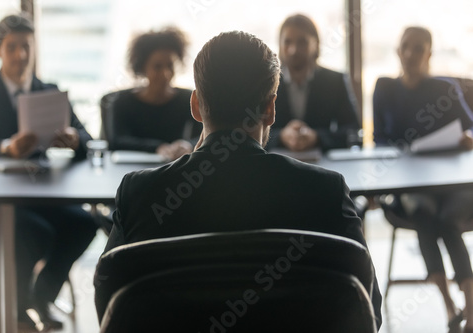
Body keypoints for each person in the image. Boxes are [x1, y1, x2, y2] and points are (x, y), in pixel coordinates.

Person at [103, 30, 382, 329]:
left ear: (196, 105)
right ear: (271, 109)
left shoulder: (140, 194)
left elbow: (110, 309)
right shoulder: (325, 191)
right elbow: (368, 312)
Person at [0, 14, 98, 330]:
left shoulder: (50, 92)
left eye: (26, 47)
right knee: (35, 232)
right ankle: (16, 309)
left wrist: (72, 139)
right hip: (0, 198)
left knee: (85, 224)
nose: (21, 55)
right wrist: (5, 147)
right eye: (13, 47)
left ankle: (40, 297)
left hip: (42, 191)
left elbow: (88, 139)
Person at [373, 26, 473, 331]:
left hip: (451, 186)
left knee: (441, 217)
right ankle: (453, 302)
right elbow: (379, 141)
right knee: (425, 213)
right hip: (411, 186)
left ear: (429, 54)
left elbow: (469, 127)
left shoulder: (444, 90)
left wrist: (467, 137)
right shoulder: (385, 88)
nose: (412, 54)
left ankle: (464, 304)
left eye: (419, 48)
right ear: (397, 50)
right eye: (407, 46)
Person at [106, 27, 201, 161]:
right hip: (130, 171)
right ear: (143, 67)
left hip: (174, 168)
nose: (165, 74)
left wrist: (187, 145)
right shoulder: (121, 101)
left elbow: (206, 134)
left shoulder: (188, 98)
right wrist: (157, 147)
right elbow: (116, 141)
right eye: (157, 66)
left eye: (170, 66)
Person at [270, 14, 361, 152]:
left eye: (302, 42)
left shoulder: (335, 81)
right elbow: (250, 133)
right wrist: (281, 136)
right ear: (280, 45)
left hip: (324, 166)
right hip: (277, 166)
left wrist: (317, 137)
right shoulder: (267, 82)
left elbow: (353, 131)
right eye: (287, 42)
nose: (293, 50)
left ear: (316, 44)